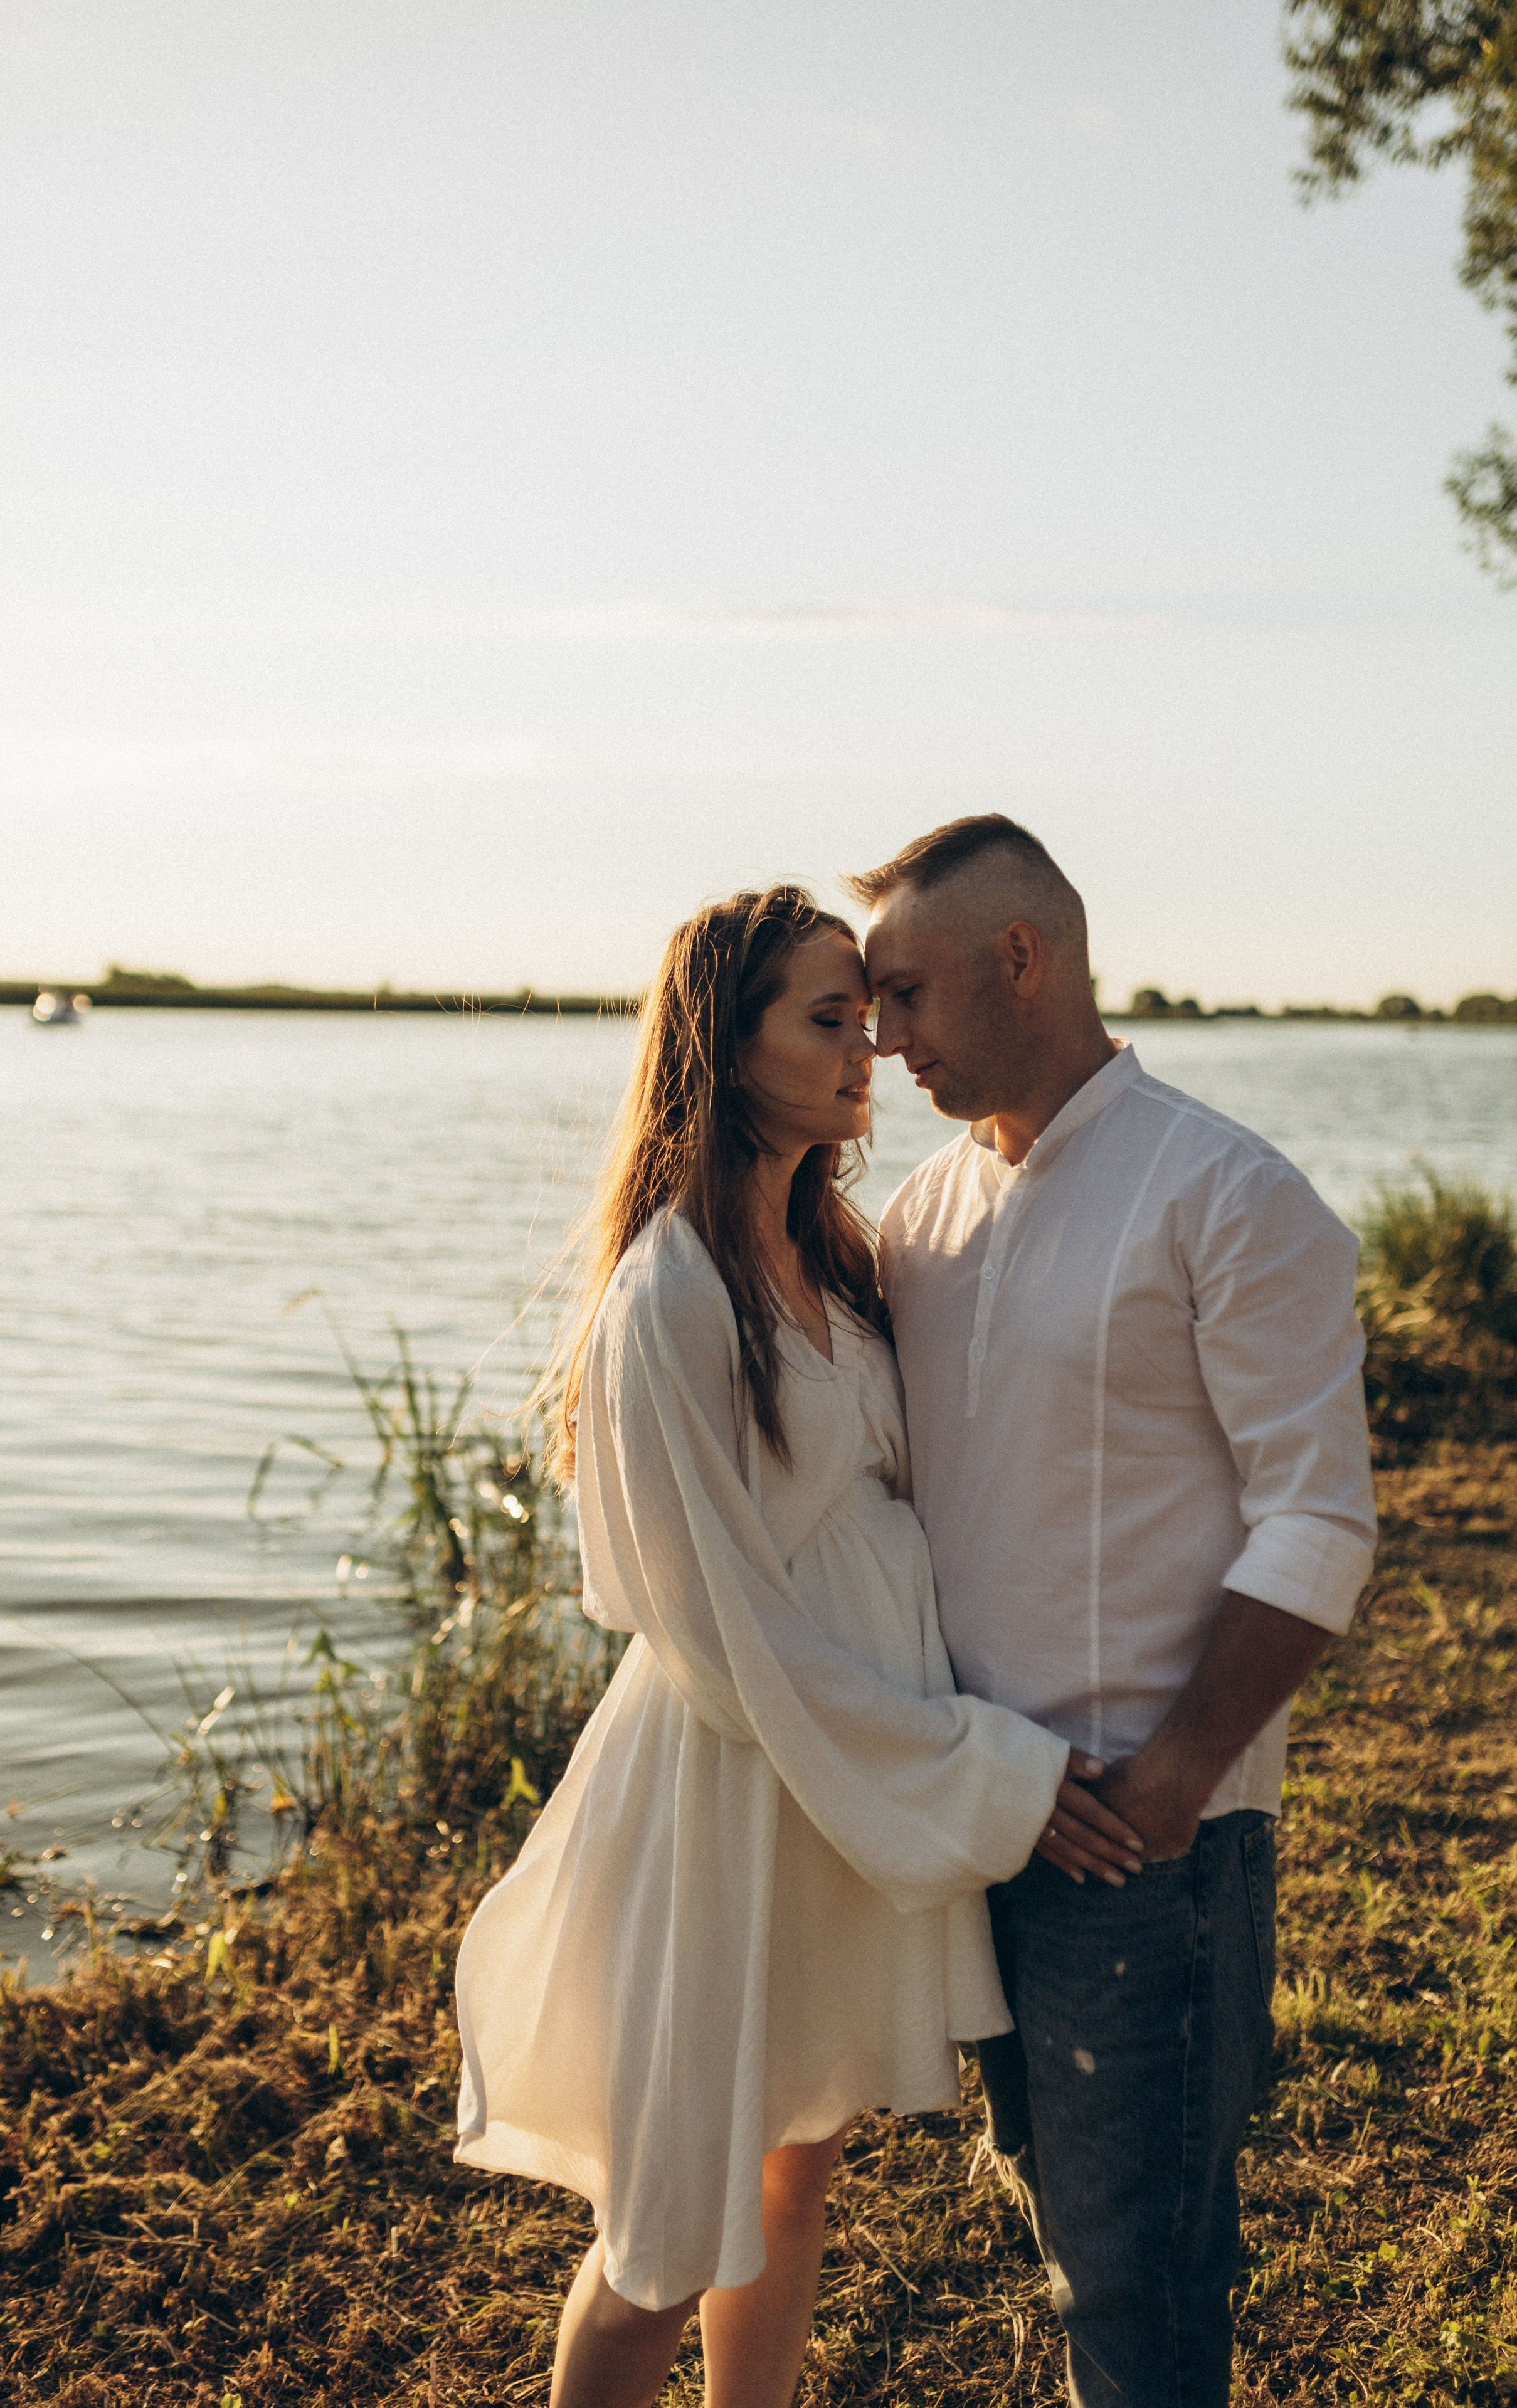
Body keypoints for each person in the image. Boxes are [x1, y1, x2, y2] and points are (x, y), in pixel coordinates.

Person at [453, 884, 1143, 2408]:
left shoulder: (837, 1261)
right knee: (665, 2232)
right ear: (725, 1040)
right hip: (731, 1792)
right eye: (831, 1019)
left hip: (835, 1790)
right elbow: (725, 1636)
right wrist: (983, 1769)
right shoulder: (670, 1298)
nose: (873, 1049)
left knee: (793, 2166)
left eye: (875, 1014)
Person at [854, 816, 1377, 2408]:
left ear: (1026, 959)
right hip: (970, 1819)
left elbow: (1318, 1519)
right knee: (1064, 2231)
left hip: (1146, 1846)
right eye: (865, 1003)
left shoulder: (1222, 1192)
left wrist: (1170, 1780)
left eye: (909, 995)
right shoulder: (914, 1220)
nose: (883, 1040)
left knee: (1140, 2278)